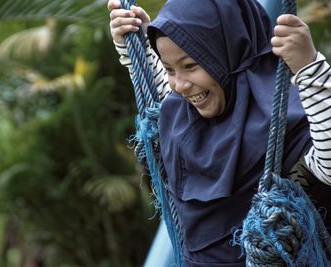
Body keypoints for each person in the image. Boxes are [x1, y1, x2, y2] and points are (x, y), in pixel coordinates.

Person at [108, 0, 331, 266]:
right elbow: (162, 98)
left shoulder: (284, 118)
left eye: (190, 65)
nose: (179, 84)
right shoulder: (184, 116)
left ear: (229, 52)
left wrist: (310, 68)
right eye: (169, 69)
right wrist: (137, 49)